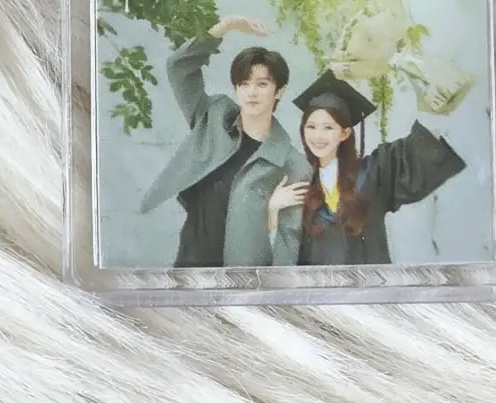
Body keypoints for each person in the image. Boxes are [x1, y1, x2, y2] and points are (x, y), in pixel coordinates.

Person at [139, 14, 309, 268]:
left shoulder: (292, 163)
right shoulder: (214, 118)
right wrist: (225, 27)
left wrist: (271, 211)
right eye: (244, 84)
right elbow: (179, 67)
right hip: (189, 265)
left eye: (262, 84)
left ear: (279, 91)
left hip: (242, 277)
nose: (251, 92)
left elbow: (288, 244)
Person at [268, 68, 466, 266]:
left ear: (344, 133)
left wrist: (430, 113)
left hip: (370, 282)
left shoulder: (373, 172)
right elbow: (282, 251)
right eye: (311, 127)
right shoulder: (299, 182)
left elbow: (414, 154)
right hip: (318, 285)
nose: (317, 136)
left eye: (328, 127)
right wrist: (273, 208)